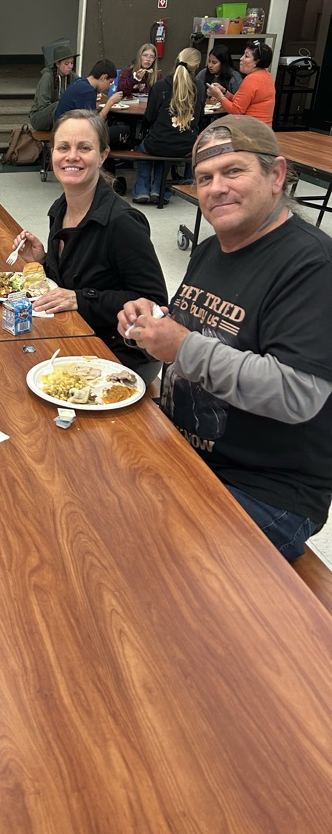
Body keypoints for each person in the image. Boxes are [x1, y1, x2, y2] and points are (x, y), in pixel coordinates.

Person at [118, 115, 332, 560]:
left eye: (234, 171)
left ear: (276, 176)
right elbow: (198, 330)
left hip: (264, 489)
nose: (216, 188)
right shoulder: (211, 249)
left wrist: (182, 346)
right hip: (183, 450)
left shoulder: (311, 265)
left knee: (136, 556)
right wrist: (152, 322)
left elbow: (298, 392)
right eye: (204, 178)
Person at [10, 109, 167, 383]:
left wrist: (81, 299)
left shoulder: (122, 223)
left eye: (84, 148)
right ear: (52, 153)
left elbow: (153, 303)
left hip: (116, 354)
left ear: (102, 156)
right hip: (77, 333)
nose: (72, 156)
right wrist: (43, 261)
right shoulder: (59, 209)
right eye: (63, 147)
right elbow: (72, 281)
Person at [132, 47, 204, 206]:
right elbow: (199, 119)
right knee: (165, 146)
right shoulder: (199, 87)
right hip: (187, 146)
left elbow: (149, 117)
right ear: (195, 67)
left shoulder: (160, 86)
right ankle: (160, 190)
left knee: (146, 146)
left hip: (159, 142)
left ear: (176, 60)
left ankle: (142, 190)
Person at [206, 40, 275, 125]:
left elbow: (236, 110)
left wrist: (219, 96)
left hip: (251, 130)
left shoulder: (252, 79)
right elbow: (240, 102)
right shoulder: (267, 76)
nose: (241, 58)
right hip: (264, 128)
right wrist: (224, 92)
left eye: (246, 56)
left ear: (256, 62)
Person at [28, 43, 79, 131]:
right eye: (66, 63)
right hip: (41, 116)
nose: (70, 66)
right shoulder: (47, 77)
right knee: (61, 104)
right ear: (57, 64)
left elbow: (82, 86)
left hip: (61, 115)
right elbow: (43, 105)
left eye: (72, 63)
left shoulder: (72, 76)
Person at [54, 58, 123, 122]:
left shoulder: (80, 81)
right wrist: (110, 102)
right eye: (110, 82)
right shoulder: (87, 91)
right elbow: (94, 124)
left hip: (62, 125)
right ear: (104, 77)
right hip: (68, 130)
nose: (109, 86)